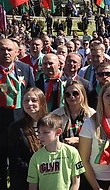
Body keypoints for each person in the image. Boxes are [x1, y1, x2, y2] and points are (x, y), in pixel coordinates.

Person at [0, 38, 35, 189]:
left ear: (17, 52)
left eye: (9, 50)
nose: (6, 53)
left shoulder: (25, 69)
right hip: (0, 127)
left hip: (21, 128)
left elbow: (33, 95)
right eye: (2, 49)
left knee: (20, 167)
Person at [27, 114, 85, 190]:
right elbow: (32, 185)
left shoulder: (72, 152)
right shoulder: (36, 157)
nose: (40, 136)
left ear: (58, 132)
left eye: (45, 132)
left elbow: (76, 182)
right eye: (39, 132)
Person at [8, 88, 48, 190]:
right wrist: (36, 172)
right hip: (26, 181)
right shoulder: (16, 128)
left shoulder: (51, 124)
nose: (29, 103)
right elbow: (16, 159)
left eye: (34, 100)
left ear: (42, 102)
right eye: (26, 100)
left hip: (51, 178)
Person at [52, 81, 95, 147]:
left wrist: (78, 140)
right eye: (68, 94)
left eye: (75, 93)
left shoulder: (92, 114)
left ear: (82, 94)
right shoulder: (56, 114)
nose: (71, 96)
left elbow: (98, 139)